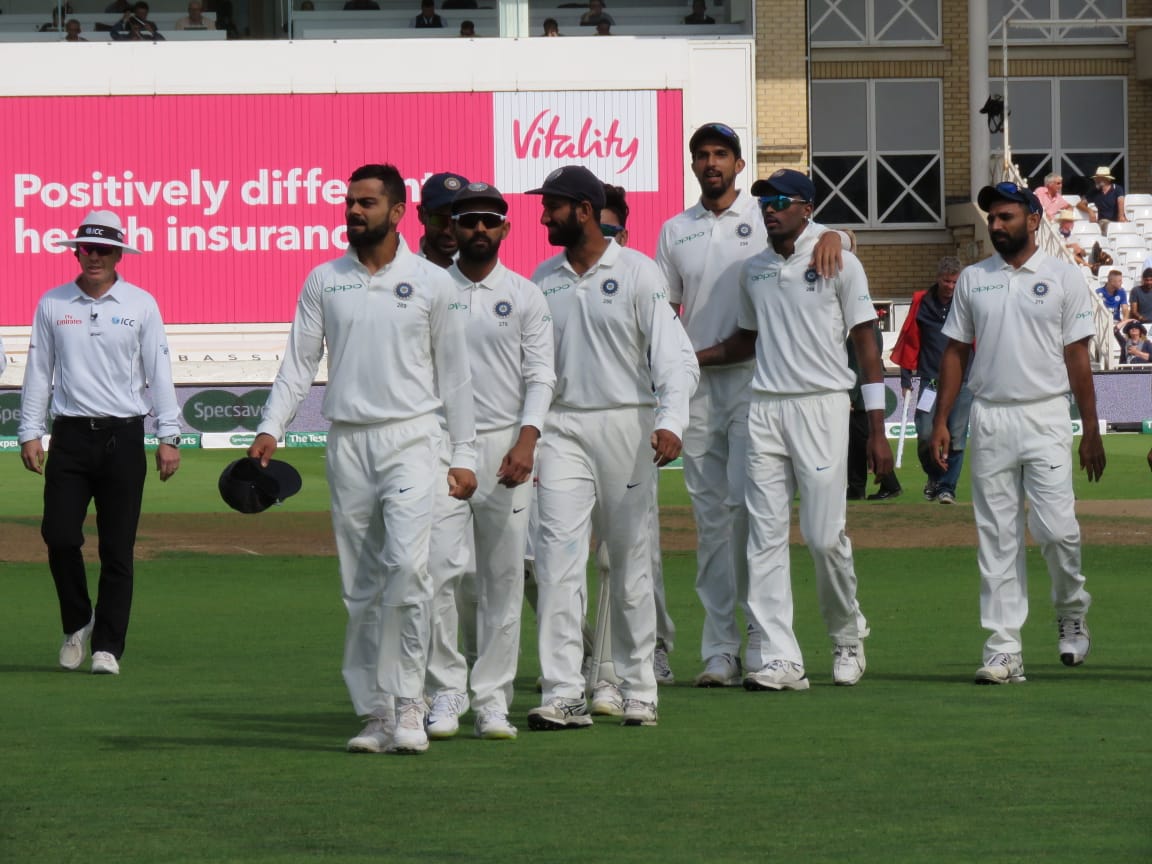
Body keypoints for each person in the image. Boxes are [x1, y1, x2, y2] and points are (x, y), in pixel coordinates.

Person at [250, 163, 478, 754]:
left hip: (411, 438)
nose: (355, 212)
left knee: (407, 569)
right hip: (348, 441)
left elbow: (455, 376)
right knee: (361, 588)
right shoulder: (325, 279)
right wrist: (271, 425)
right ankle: (376, 712)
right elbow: (299, 364)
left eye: (368, 203)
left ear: (399, 211)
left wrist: (465, 453)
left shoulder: (433, 283)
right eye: (350, 202)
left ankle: (409, 703)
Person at [655, 123, 844, 689]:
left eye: (721, 155)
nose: (711, 163)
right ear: (692, 165)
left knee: (748, 516)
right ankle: (720, 648)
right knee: (711, 522)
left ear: (738, 164)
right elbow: (667, 310)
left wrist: (846, 234)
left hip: (754, 386)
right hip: (696, 393)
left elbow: (817, 241)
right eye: (702, 155)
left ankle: (764, 641)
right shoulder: (675, 230)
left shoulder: (762, 215)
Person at [698, 169, 891, 691]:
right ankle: (783, 658)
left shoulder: (838, 261)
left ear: (808, 208)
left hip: (823, 406)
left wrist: (877, 428)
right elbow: (745, 341)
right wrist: (687, 360)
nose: (769, 208)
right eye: (763, 201)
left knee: (824, 537)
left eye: (781, 200)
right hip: (764, 409)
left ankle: (847, 633)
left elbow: (867, 346)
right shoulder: (753, 270)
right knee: (762, 537)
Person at [527, 165, 694, 730]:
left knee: (627, 561)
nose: (542, 216)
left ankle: (637, 686)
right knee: (556, 562)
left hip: (627, 425)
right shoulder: (542, 280)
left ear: (582, 209)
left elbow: (674, 358)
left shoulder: (638, 272)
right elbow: (532, 369)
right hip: (561, 429)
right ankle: (564, 690)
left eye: (551, 206)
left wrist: (671, 421)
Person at [930, 181, 1104, 685]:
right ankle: (1004, 649)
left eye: (1007, 216)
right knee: (997, 538)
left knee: (1056, 531)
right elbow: (957, 351)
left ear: (1032, 219)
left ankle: (1072, 607)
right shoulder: (973, 280)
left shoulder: (1063, 277)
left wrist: (1091, 429)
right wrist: (943, 419)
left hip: (1046, 413)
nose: (997, 225)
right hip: (990, 416)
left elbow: (1077, 355)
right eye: (993, 218)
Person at [18, 210, 181, 677]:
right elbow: (39, 373)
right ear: (76, 252)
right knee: (60, 535)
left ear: (118, 255)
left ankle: (107, 646)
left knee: (117, 548)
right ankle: (77, 622)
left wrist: (168, 435)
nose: (94, 257)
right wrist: (30, 430)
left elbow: (160, 371)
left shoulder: (141, 304)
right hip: (70, 435)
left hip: (124, 435)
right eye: (87, 249)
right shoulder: (53, 303)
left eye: (104, 250)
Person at [423, 183, 555, 742]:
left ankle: (493, 699)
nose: (479, 229)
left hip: (505, 448)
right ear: (452, 227)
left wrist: (527, 443)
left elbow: (540, 377)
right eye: (469, 220)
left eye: (489, 221)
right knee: (437, 574)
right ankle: (445, 691)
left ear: (505, 229)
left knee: (502, 580)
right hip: (441, 448)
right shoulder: (430, 289)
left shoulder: (525, 296)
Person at [890, 256, 973, 505]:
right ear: (938, 278)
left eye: (955, 282)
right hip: (931, 381)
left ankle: (947, 487)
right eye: (947, 281)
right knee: (926, 432)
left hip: (964, 380)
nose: (950, 286)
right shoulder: (921, 302)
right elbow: (909, 339)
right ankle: (935, 477)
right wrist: (906, 375)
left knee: (956, 434)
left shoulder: (968, 304)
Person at [847, 321, 901, 501]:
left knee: (860, 444)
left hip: (860, 399)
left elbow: (856, 366)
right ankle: (859, 487)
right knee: (858, 445)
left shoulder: (864, 331)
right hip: (863, 398)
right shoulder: (872, 330)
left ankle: (887, 484)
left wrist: (851, 396)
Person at [418, 172, 468, 268]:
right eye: (439, 220)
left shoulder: (482, 277)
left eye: (457, 220)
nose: (448, 231)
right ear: (421, 215)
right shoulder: (404, 276)